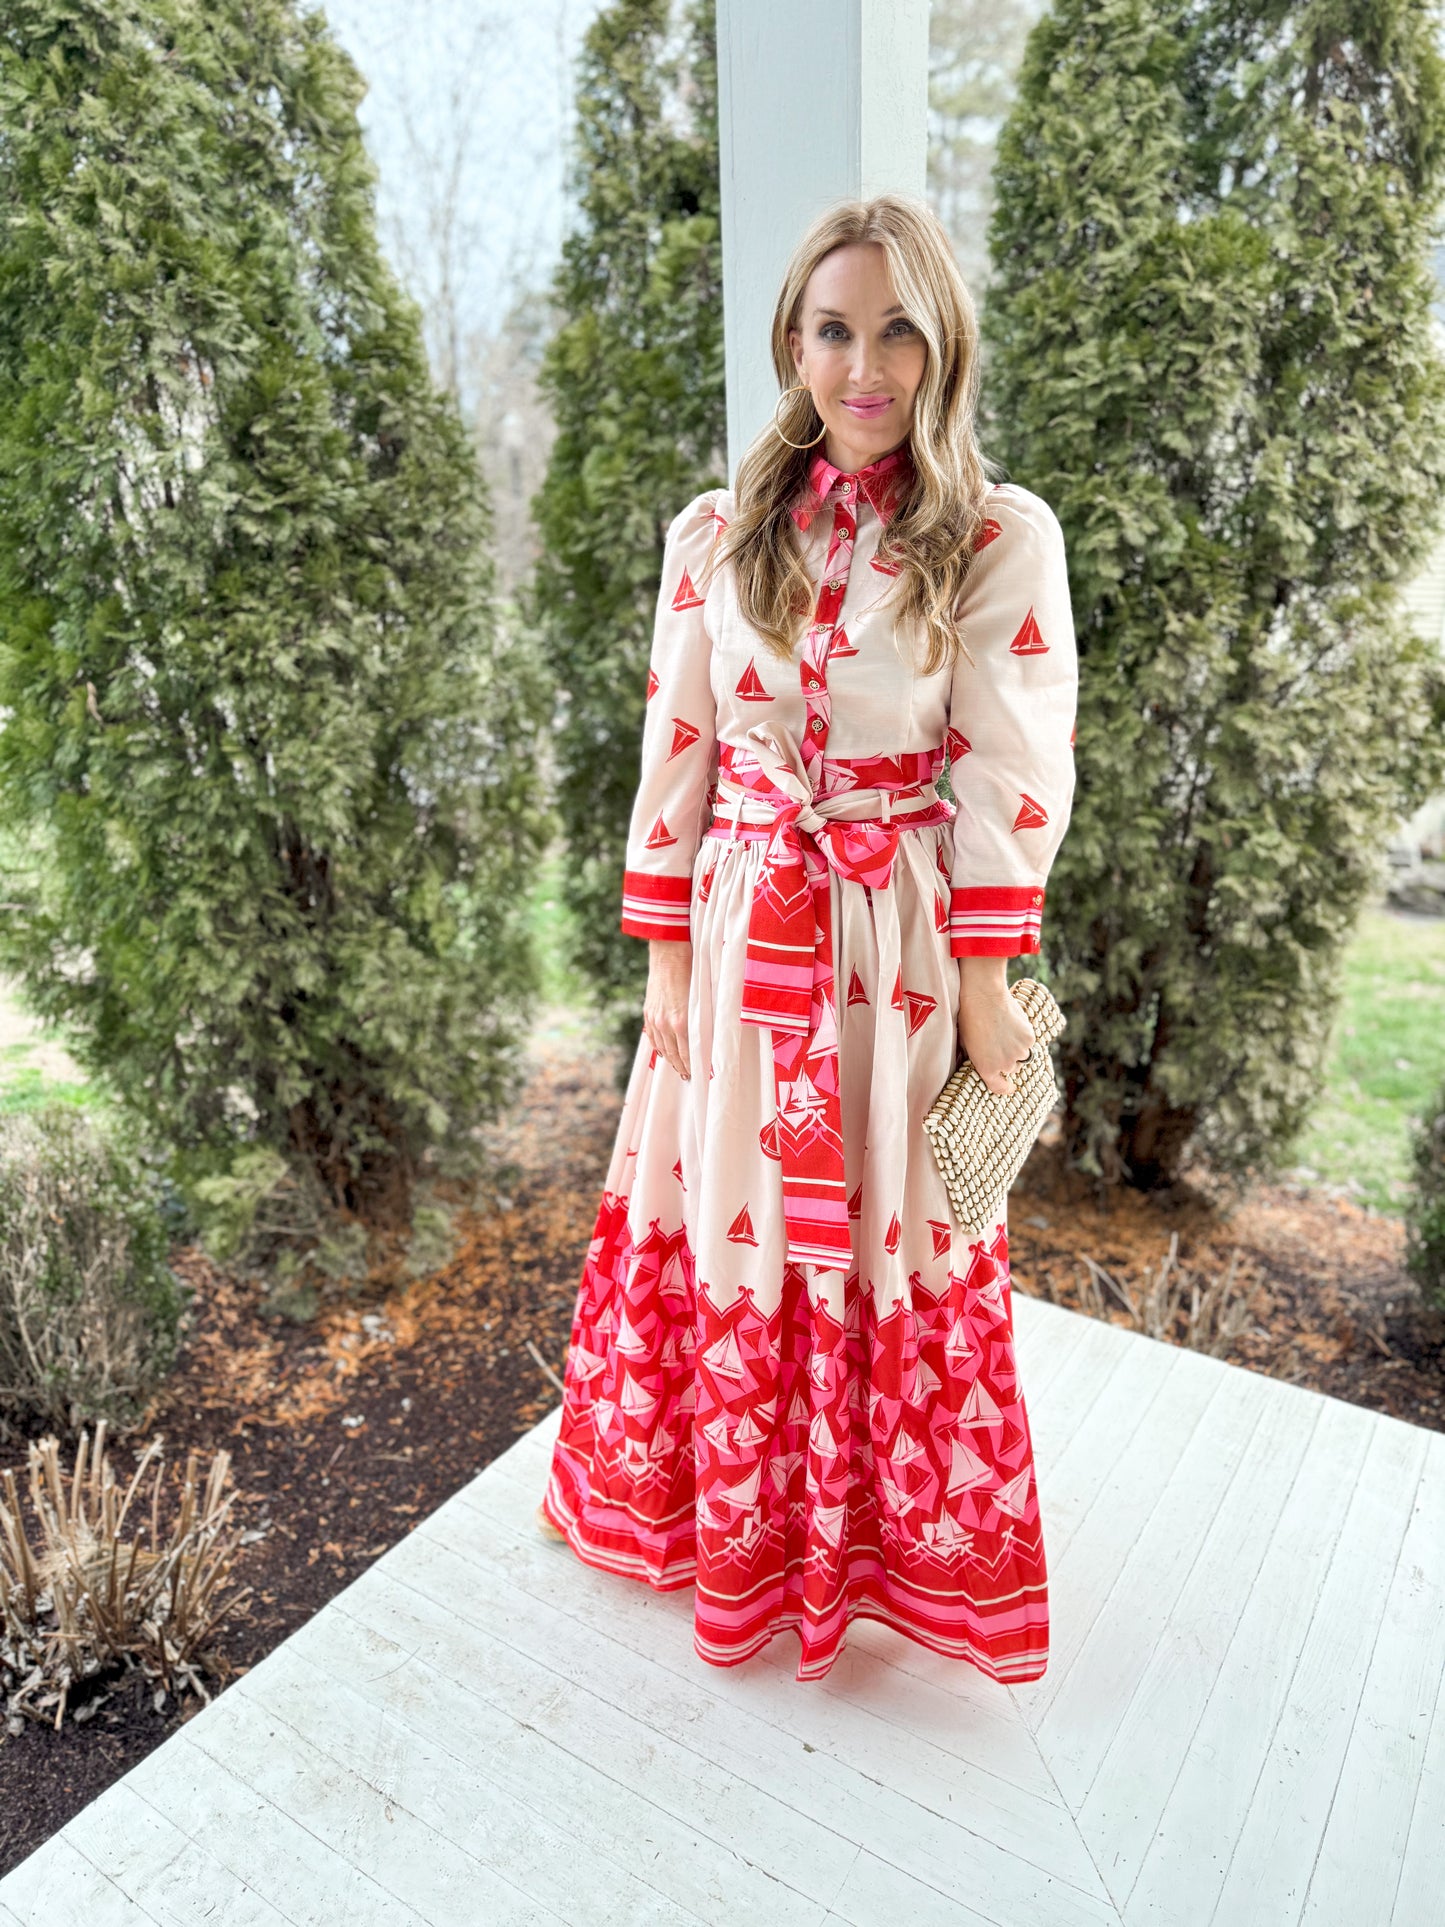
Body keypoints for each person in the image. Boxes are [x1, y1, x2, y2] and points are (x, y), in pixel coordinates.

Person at [537, 192, 1077, 1685]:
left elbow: (1007, 767)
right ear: (792, 341)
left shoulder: (990, 537)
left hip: (890, 945)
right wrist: (661, 968)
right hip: (741, 936)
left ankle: (876, 1556)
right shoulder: (714, 534)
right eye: (835, 329)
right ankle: (738, 1533)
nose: (865, 366)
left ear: (941, 344)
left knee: (889, 1230)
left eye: (897, 329)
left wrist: (983, 987)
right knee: (740, 1223)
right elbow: (679, 742)